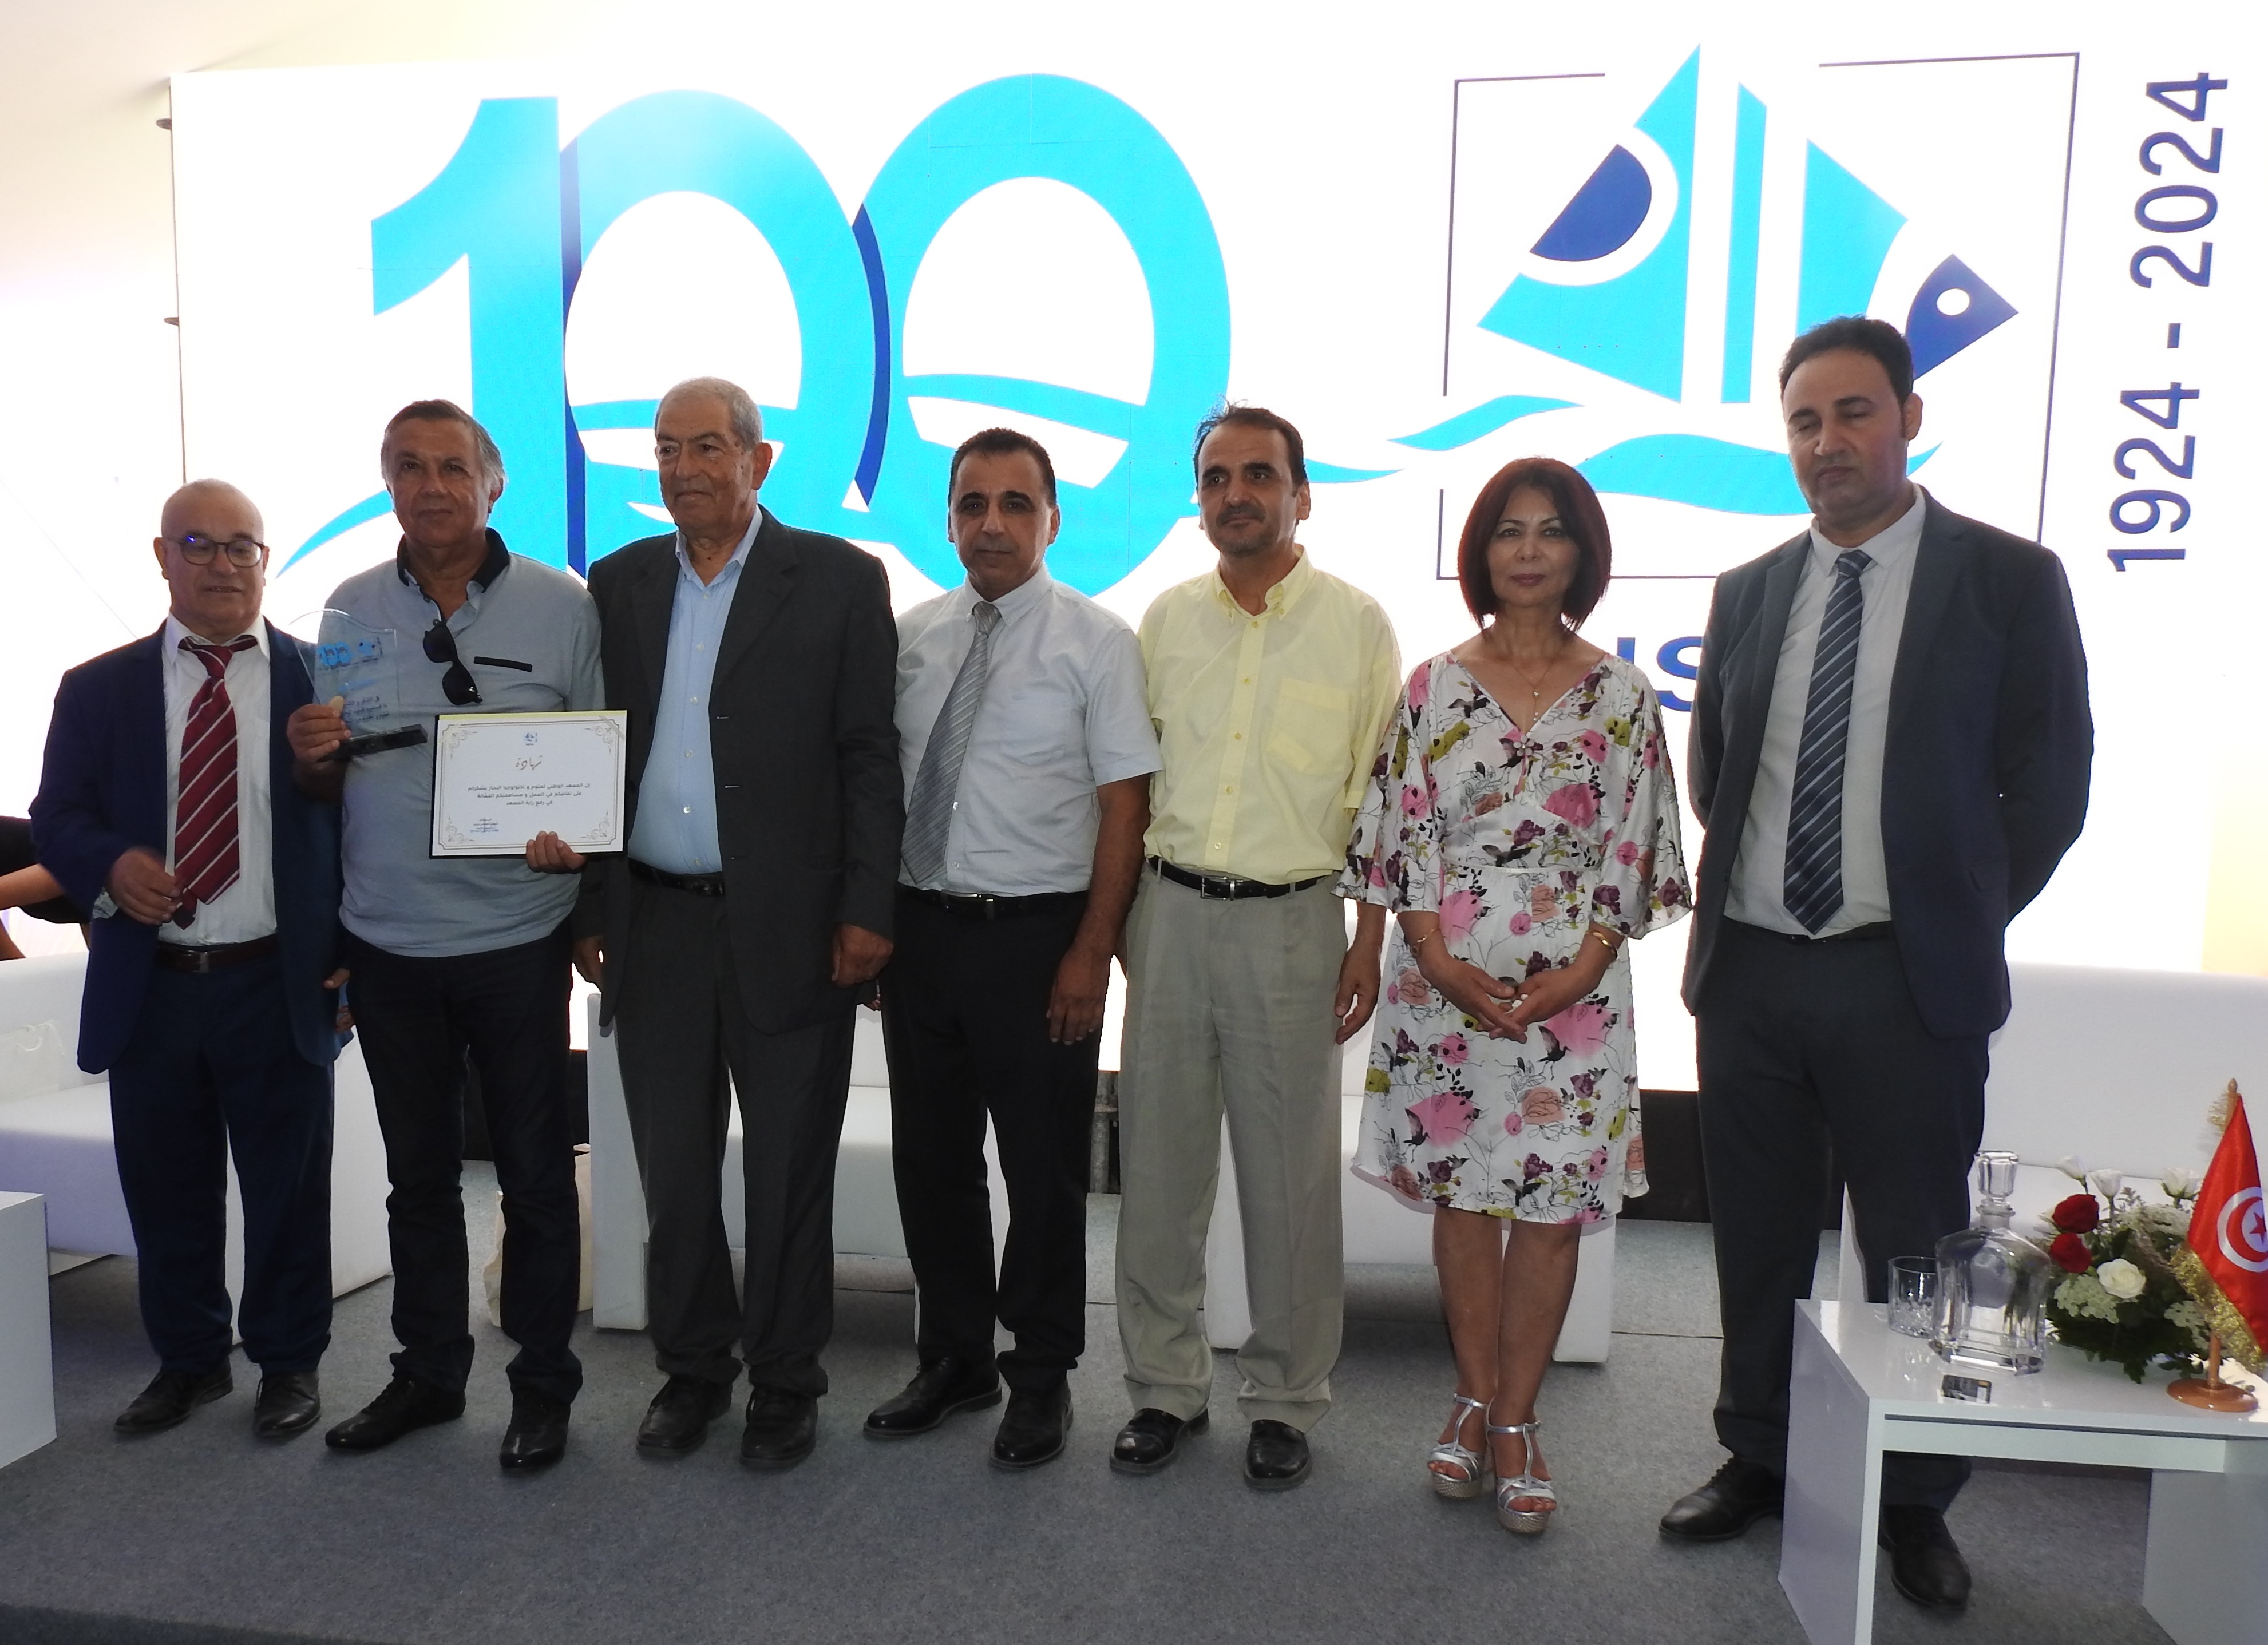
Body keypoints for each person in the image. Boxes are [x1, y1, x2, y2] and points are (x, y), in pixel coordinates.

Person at [1664, 318, 2092, 1608]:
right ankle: (1758, 1452)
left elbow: (2049, 784)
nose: (1827, 442)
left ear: (1908, 417)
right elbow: (1716, 772)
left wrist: (1952, 914)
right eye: (1804, 421)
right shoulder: (1749, 590)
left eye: (1852, 413)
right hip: (1751, 974)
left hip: (1904, 980)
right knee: (1755, 1237)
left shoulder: (2008, 579)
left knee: (1913, 1249)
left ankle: (1914, 1497)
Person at [529, 377, 900, 1470]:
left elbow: (869, 758)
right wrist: (591, 903)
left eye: (705, 447)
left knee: (788, 1169)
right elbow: (596, 750)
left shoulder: (839, 579)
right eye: (665, 449)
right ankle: (692, 1370)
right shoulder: (621, 582)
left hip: (792, 927)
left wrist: (867, 909)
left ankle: (785, 1380)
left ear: (758, 460)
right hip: (656, 924)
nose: (682, 469)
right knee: (674, 1171)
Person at [1343, 458, 1689, 1534]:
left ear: (1582, 552)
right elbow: (1401, 840)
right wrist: (1439, 960)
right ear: (1481, 552)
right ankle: (1472, 1394)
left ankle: (1516, 1419)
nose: (1529, 550)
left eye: (1550, 531)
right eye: (1508, 530)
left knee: (1549, 1209)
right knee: (1464, 1199)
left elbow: (1638, 846)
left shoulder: (1624, 696)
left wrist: (1583, 964)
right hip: (1442, 984)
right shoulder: (1432, 687)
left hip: (1576, 995)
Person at [288, 401, 601, 1471]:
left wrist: (579, 853)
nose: (431, 487)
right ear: (388, 485)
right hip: (388, 945)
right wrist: (311, 755)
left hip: (518, 938)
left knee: (534, 1179)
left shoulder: (564, 606)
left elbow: (598, 761)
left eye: (452, 468)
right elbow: (327, 783)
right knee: (417, 1180)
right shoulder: (348, 605)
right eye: (409, 468)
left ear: (493, 483)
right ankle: (427, 1375)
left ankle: (544, 1386)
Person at [1112, 405, 1399, 1489]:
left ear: (1301, 494)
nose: (1237, 494)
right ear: (1200, 502)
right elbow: (1131, 789)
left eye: (1260, 475)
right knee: (1158, 1172)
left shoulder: (1357, 625)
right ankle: (1163, 1388)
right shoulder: (1165, 621)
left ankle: (1284, 1398)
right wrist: (1123, 925)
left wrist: (1368, 941)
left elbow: (1379, 799)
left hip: (1294, 923)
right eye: (1218, 478)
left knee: (1289, 1184)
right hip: (1169, 915)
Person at [865, 428, 1157, 1469]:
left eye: (1015, 504)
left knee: (1042, 1175)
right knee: (931, 1161)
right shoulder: (910, 639)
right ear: (948, 518)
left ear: (1052, 520)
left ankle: (1039, 1376)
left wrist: (1092, 952)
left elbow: (1125, 809)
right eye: (972, 504)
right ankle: (954, 1358)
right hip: (922, 936)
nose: (991, 523)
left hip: (1039, 942)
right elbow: (878, 790)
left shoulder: (1098, 643)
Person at [31, 480, 346, 1439]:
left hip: (278, 978)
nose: (222, 564)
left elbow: (371, 826)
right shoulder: (98, 689)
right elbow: (57, 816)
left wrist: (360, 958)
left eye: (242, 546)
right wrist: (110, 864)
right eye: (199, 545)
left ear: (266, 561)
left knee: (288, 1191)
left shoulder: (323, 682)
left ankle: (289, 1363)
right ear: (162, 557)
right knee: (166, 1189)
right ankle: (190, 1361)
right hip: (154, 985)